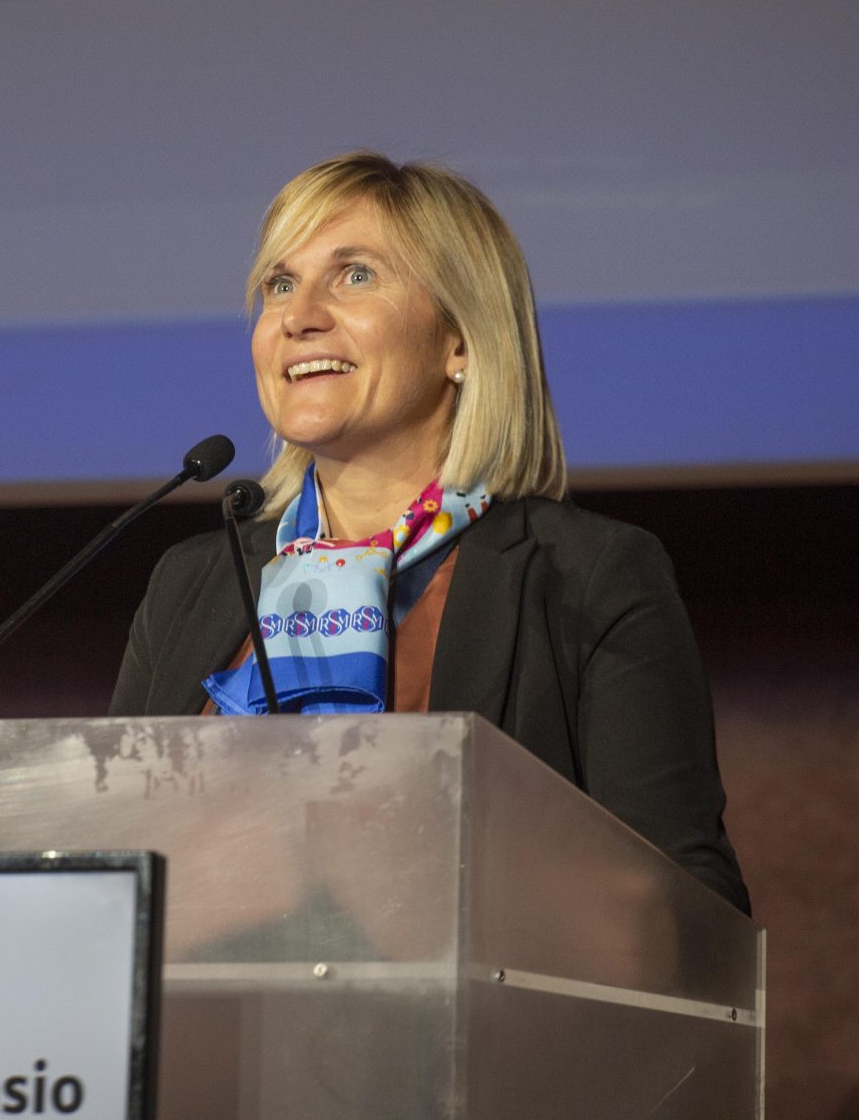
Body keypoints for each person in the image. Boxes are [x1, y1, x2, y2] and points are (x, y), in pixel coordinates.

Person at [111, 152, 748, 914]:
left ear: (460, 340)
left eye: (355, 275)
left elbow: (685, 898)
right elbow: (109, 856)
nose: (298, 315)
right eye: (279, 284)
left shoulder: (587, 575)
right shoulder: (195, 581)